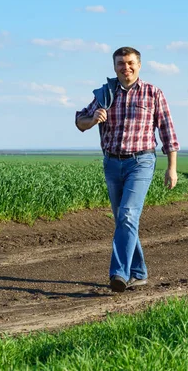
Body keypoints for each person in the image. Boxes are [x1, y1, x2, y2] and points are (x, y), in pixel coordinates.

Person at [75, 46, 180, 293]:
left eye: (130, 63)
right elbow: (79, 121)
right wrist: (92, 120)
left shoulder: (153, 93)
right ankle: (139, 272)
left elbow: (168, 132)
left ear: (139, 65)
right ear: (114, 67)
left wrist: (171, 168)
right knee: (123, 220)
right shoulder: (105, 95)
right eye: (121, 63)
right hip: (112, 163)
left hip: (140, 162)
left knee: (128, 216)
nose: (126, 67)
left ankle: (118, 274)